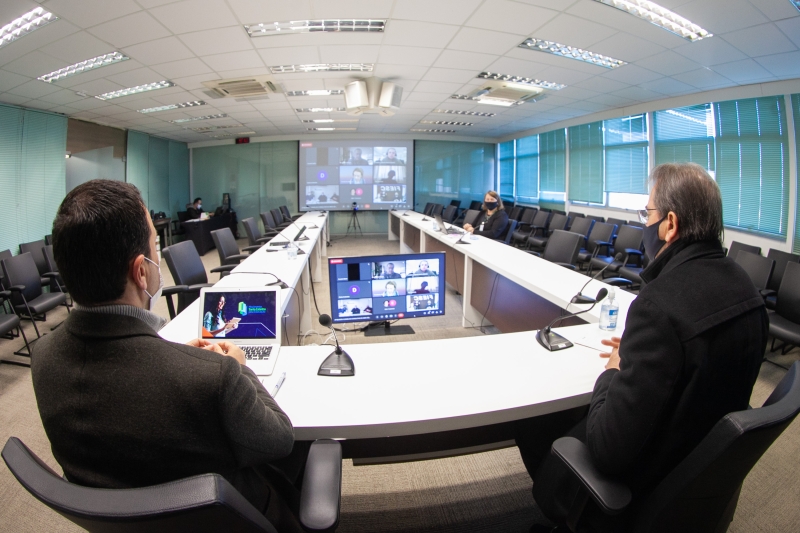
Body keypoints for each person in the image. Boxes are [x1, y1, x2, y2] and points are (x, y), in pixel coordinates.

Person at [30, 180, 307, 532]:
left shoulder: (43, 355)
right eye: (155, 246)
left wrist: (182, 361)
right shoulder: (214, 377)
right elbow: (279, 439)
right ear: (141, 271)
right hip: (232, 519)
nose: (158, 255)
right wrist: (236, 367)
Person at [516, 163, 768, 532]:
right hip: (693, 472)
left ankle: (566, 506)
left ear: (670, 224)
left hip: (642, 487)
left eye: (646, 213)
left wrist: (616, 368)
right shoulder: (748, 291)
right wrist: (645, 354)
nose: (643, 223)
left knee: (535, 415)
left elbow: (608, 451)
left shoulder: (658, 306)